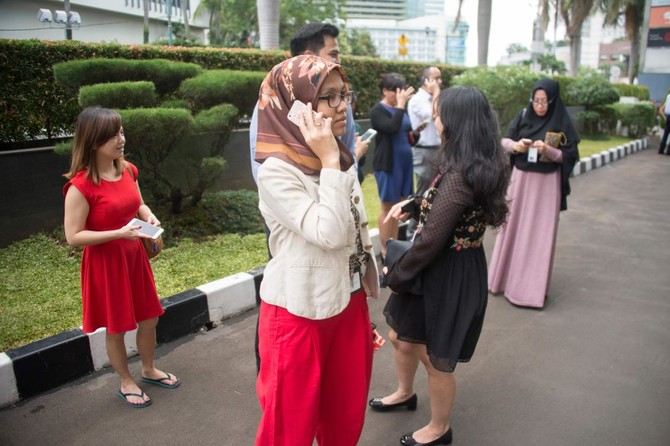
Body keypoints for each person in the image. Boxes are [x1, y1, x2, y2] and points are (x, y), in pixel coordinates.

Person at [370, 86, 510, 446]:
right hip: (441, 265)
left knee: (435, 357)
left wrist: (394, 274)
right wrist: (416, 204)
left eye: (438, 113)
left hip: (448, 272)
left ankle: (439, 428)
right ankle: (405, 393)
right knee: (401, 336)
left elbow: (430, 241)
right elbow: (447, 206)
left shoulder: (462, 173)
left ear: (456, 120)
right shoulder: (470, 162)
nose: (435, 119)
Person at [253, 55, 379, 445]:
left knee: (345, 421)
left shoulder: (338, 159)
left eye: (344, 95)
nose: (342, 107)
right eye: (329, 97)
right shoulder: (278, 171)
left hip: (348, 304)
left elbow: (354, 233)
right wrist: (328, 160)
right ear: (296, 105)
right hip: (298, 313)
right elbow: (330, 233)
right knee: (288, 431)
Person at [63, 107, 180, 409]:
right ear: (93, 142)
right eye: (113, 135)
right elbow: (73, 236)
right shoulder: (80, 186)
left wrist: (148, 215)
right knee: (117, 326)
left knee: (149, 318)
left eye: (122, 132)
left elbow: (139, 203)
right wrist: (118, 233)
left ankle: (149, 369)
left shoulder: (127, 170)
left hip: (134, 257)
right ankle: (126, 380)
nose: (121, 139)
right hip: (106, 264)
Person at [488, 78, 580, 308]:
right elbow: (503, 141)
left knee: (539, 234)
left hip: (546, 185)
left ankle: (529, 291)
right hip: (520, 181)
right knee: (512, 229)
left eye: (544, 101)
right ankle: (502, 281)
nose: (539, 106)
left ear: (553, 101)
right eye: (536, 100)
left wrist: (548, 150)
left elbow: (570, 156)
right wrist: (516, 146)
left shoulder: (561, 122)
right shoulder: (523, 116)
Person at [248, 22, 370, 183]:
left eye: (341, 96)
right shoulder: (273, 104)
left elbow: (349, 153)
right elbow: (260, 163)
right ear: (308, 57)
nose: (338, 61)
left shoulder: (340, 104)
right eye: (333, 54)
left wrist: (345, 181)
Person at [370, 73, 415, 258]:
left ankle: (394, 247)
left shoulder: (400, 109)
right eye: (395, 91)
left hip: (405, 163)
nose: (399, 94)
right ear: (385, 91)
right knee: (388, 207)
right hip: (389, 164)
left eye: (401, 90)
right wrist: (401, 106)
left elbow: (406, 130)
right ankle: (385, 250)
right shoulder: (377, 110)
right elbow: (392, 127)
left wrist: (416, 133)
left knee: (399, 207)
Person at [407, 66, 442, 236]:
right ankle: (411, 235)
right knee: (423, 195)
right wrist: (436, 92)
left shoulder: (434, 98)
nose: (439, 82)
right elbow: (435, 114)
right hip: (424, 151)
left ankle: (427, 234)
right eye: (436, 78)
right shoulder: (417, 100)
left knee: (437, 194)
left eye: (440, 78)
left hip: (438, 150)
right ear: (426, 80)